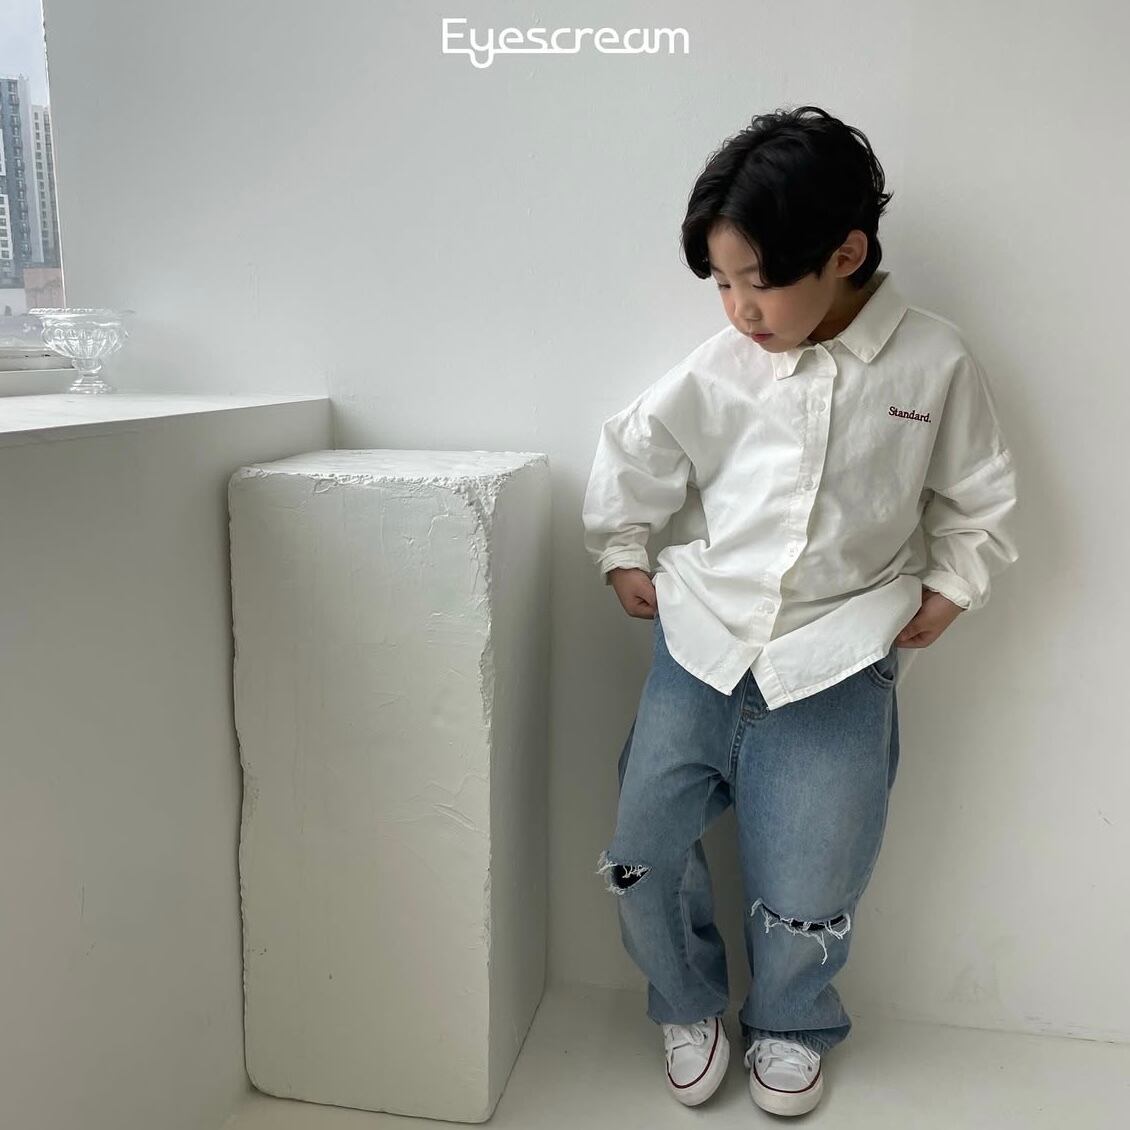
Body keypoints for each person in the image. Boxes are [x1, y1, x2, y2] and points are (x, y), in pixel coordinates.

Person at [580, 104, 1020, 1117]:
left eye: (759, 280)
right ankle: (685, 1000)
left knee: (814, 876)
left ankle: (790, 1020)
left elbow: (980, 493)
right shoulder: (722, 366)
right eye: (721, 282)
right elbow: (637, 448)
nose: (739, 307)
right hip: (701, 644)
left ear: (844, 253)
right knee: (643, 843)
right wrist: (621, 547)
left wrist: (955, 582)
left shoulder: (933, 363)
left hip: (837, 658)